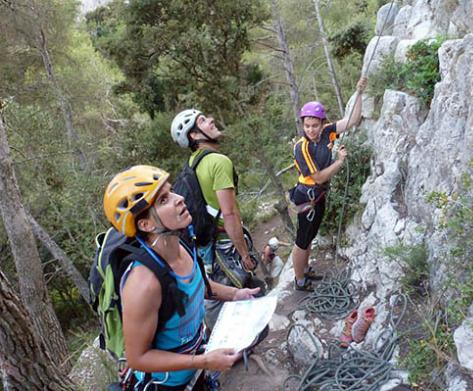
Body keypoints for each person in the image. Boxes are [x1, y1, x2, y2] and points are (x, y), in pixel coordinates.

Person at [103, 165, 260, 390]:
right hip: (167, 384)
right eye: (164, 200)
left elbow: (197, 286)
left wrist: (236, 294)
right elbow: (138, 357)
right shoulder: (143, 283)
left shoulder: (181, 243)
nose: (179, 199)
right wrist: (203, 361)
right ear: (146, 224)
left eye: (172, 191)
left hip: (196, 363)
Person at [170, 110, 263, 330]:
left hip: (205, 243)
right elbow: (229, 213)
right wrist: (244, 253)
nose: (211, 119)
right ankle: (240, 338)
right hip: (224, 241)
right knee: (235, 287)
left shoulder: (193, 163)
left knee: (216, 293)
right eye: (202, 120)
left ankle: (226, 337)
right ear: (194, 135)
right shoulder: (218, 162)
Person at [290, 76, 368, 292]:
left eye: (315, 125)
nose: (311, 130)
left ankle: (305, 270)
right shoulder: (301, 147)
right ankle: (299, 280)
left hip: (318, 196)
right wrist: (340, 161)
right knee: (302, 240)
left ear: (322, 123)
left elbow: (351, 120)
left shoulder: (328, 132)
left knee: (310, 236)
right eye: (307, 126)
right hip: (307, 196)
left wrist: (359, 93)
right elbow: (319, 178)